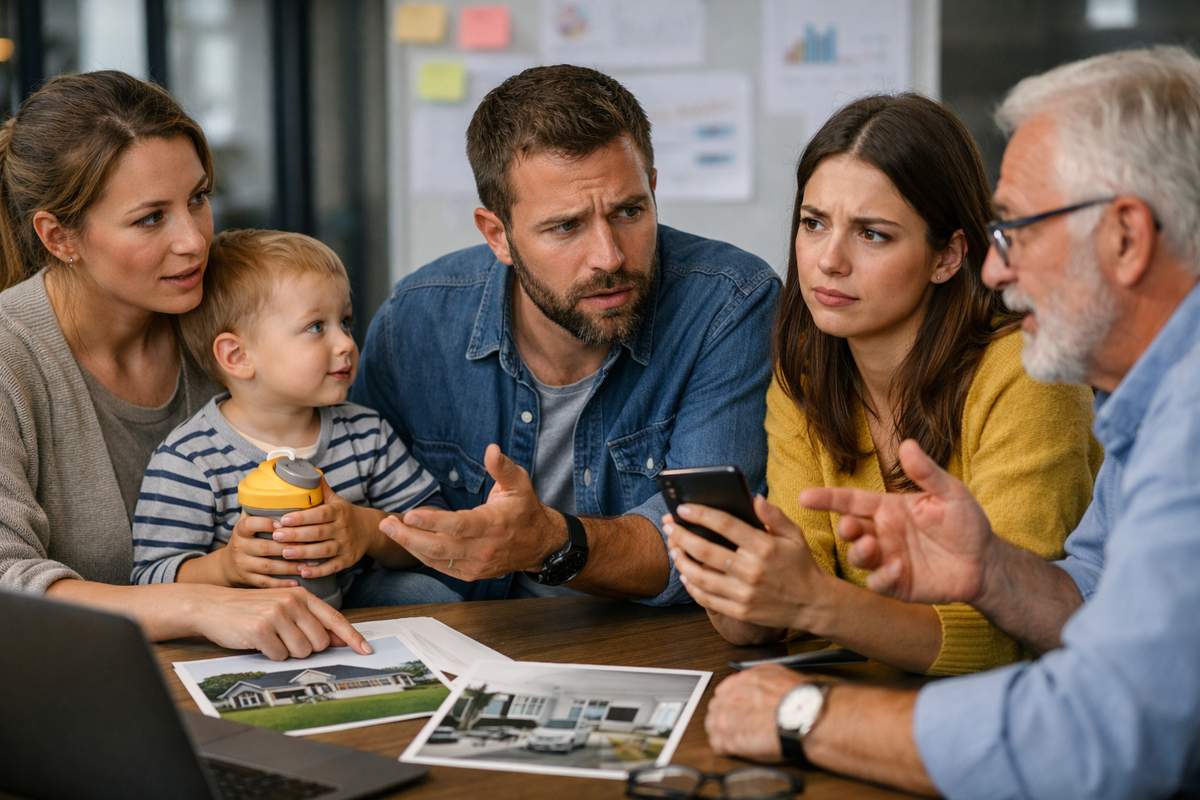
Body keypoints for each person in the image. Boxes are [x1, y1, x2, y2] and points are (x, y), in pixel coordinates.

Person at [706, 47, 1200, 800]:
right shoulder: (1150, 400)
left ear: (1126, 238)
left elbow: (1102, 732)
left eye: (1020, 231)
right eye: (813, 224)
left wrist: (808, 712)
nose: (998, 273)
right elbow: (1093, 600)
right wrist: (994, 572)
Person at [665, 94, 1102, 675]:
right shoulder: (802, 371)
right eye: (813, 223)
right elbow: (795, 602)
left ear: (947, 256)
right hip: (875, 691)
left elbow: (1010, 632)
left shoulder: (1028, 373)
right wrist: (742, 595)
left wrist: (812, 601)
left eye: (872, 234)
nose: (828, 261)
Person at [351, 65, 780, 603]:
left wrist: (551, 542)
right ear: (497, 236)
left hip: (646, 653)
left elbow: (710, 543)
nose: (610, 258)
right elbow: (360, 506)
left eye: (629, 211)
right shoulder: (415, 320)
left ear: (653, 190)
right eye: (566, 226)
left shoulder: (729, 304)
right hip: (467, 645)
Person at [0, 71, 371, 661]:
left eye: (198, 199)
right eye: (151, 218)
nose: (195, 241)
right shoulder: (10, 357)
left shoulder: (233, 317)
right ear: (59, 236)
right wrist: (203, 604)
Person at [130, 229, 462, 608]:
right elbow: (150, 580)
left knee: (432, 596)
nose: (346, 344)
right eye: (316, 327)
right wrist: (224, 567)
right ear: (238, 356)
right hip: (242, 620)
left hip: (355, 599)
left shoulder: (366, 433)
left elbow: (432, 531)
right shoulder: (188, 459)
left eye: (346, 321)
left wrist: (367, 531)